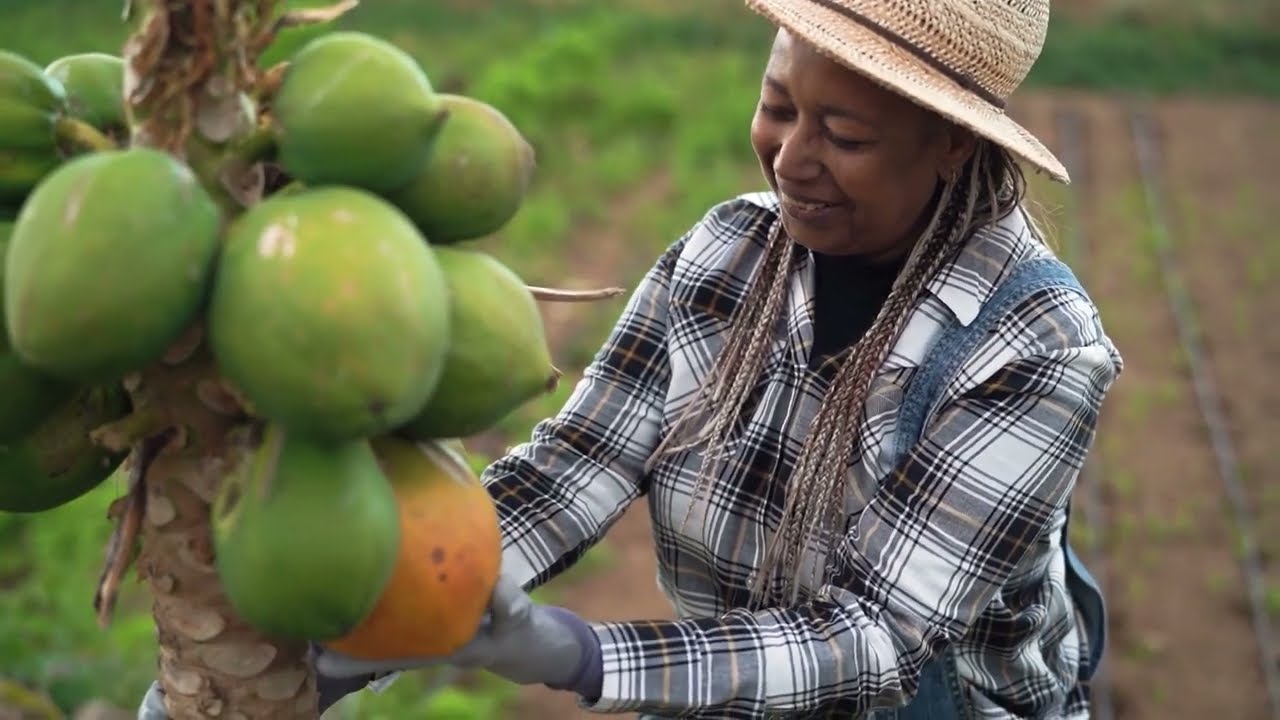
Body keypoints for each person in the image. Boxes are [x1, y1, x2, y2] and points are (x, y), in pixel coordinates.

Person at [139, 0, 1123, 717]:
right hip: (720, 691)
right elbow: (581, 463)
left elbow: (876, 640)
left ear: (950, 144)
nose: (787, 158)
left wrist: (575, 654)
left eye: (844, 134)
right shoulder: (730, 250)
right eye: (778, 105)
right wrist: (380, 615)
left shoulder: (1032, 343)